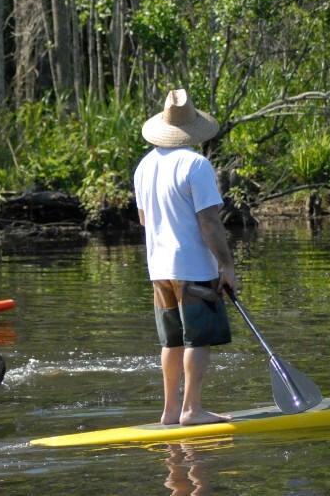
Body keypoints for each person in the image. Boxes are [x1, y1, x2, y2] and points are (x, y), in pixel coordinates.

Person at [133, 88, 240, 426]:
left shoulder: (144, 166)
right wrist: (227, 266)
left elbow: (143, 220)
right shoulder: (196, 164)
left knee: (173, 341)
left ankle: (170, 410)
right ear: (193, 128)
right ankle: (192, 410)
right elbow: (209, 221)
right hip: (192, 267)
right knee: (198, 338)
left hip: (159, 269)